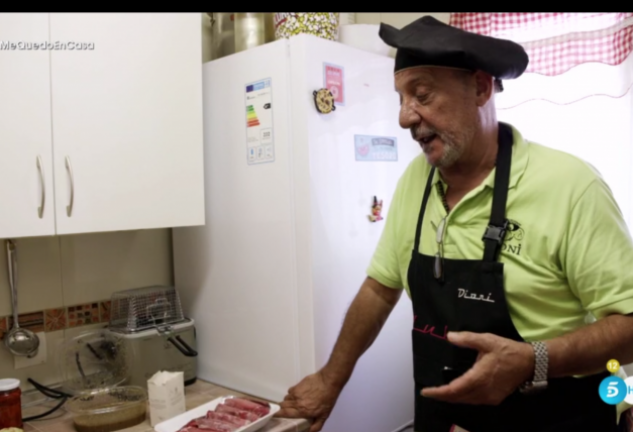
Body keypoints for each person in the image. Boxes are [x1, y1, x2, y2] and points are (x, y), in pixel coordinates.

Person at [275, 15, 633, 432]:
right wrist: (330, 379)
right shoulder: (416, 182)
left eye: (422, 95)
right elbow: (379, 288)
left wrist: (533, 360)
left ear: (480, 87)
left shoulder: (570, 186)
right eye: (401, 98)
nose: (405, 118)